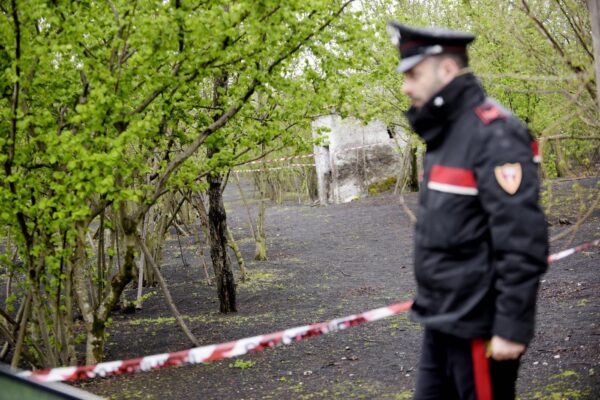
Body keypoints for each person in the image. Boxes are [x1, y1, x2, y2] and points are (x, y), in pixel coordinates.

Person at [386, 22, 549, 400]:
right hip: (440, 320)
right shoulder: (443, 133)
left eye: (413, 74)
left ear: (446, 69)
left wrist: (511, 325)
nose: (405, 86)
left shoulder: (495, 134)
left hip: (480, 327)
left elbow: (522, 239)